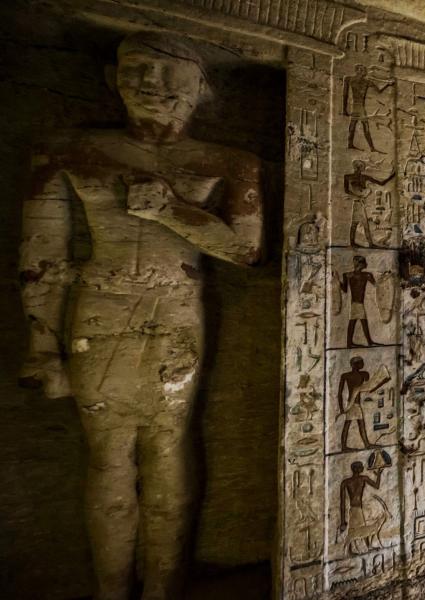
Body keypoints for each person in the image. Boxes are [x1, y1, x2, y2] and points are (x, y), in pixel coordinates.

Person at [18, 32, 263, 600]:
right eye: (137, 70)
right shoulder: (69, 150)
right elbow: (42, 258)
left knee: (167, 446)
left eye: (168, 71)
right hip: (98, 311)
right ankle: (111, 590)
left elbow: (245, 251)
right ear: (113, 78)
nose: (151, 84)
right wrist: (42, 344)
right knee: (106, 455)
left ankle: (163, 588)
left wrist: (173, 211)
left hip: (175, 311)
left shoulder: (227, 162)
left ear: (200, 89)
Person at [340, 255, 378, 347]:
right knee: (358, 321)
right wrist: (336, 280)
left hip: (356, 303)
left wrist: (338, 281)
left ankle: (354, 342)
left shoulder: (348, 275)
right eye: (364, 263)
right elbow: (377, 285)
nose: (366, 264)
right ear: (360, 264)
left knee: (357, 321)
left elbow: (344, 289)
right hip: (357, 303)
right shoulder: (366, 275)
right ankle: (367, 342)